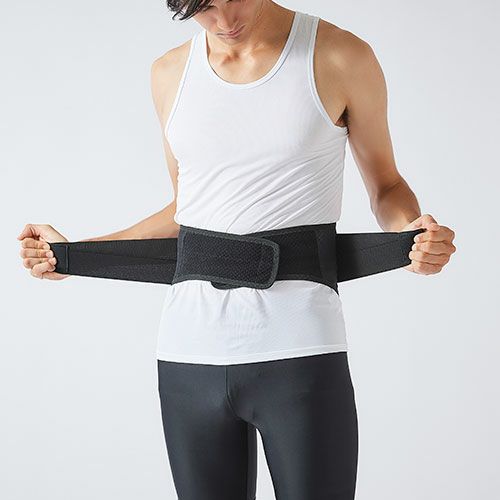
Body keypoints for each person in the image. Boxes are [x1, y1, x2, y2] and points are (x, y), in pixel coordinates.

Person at [18, 1, 457, 498]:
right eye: (204, 8)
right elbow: (189, 210)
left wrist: (410, 233)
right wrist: (77, 253)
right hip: (188, 354)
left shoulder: (338, 55)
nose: (225, 22)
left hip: (299, 349)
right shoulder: (169, 73)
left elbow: (386, 185)